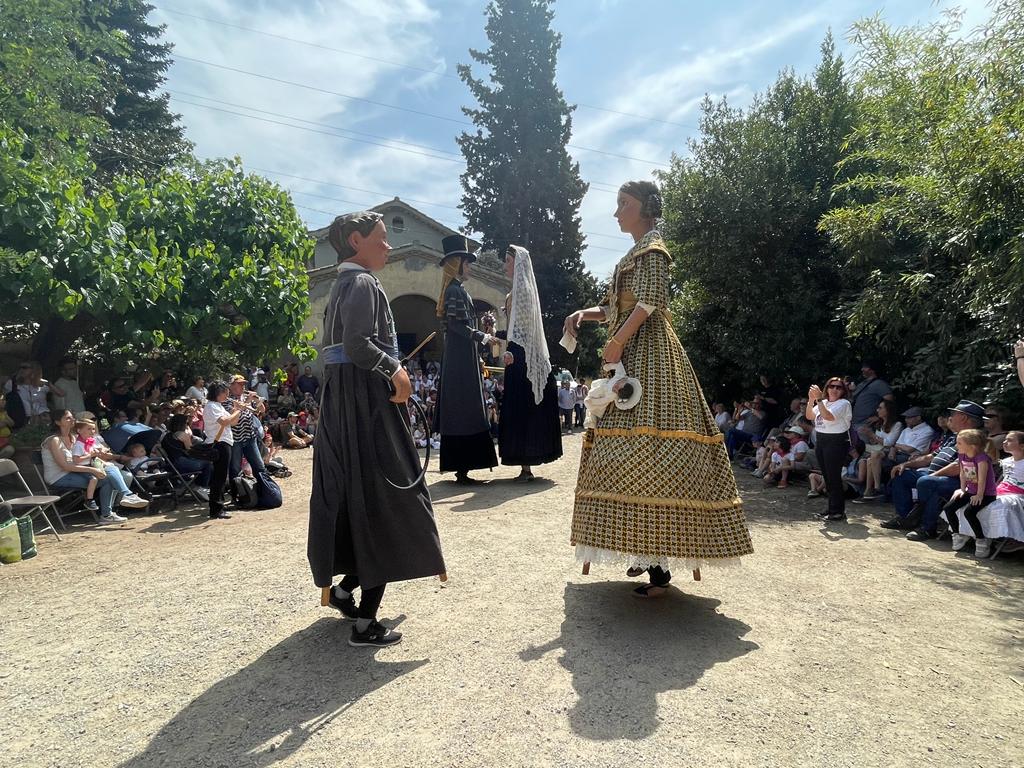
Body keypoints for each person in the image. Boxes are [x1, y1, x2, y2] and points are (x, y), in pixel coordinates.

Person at [564, 180, 752, 596]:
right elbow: (618, 306)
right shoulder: (634, 253)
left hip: (651, 359)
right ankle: (645, 552)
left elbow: (650, 302)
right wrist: (584, 314)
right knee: (627, 454)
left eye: (623, 204)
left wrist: (616, 341)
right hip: (630, 358)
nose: (616, 212)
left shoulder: (653, 250)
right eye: (616, 205)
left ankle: (658, 563)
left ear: (644, 208)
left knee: (654, 453)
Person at [308, 211, 446, 648]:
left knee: (359, 497)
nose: (388, 246)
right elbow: (356, 345)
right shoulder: (363, 283)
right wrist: (395, 371)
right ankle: (366, 624)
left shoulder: (341, 286)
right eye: (382, 239)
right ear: (355, 241)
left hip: (345, 406)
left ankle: (346, 588)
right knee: (388, 497)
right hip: (368, 405)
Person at [435, 234, 499, 484]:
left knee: (467, 408)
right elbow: (456, 325)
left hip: (464, 357)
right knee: (463, 409)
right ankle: (462, 468)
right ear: (457, 263)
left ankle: (465, 467)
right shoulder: (454, 291)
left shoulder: (458, 291)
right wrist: (482, 337)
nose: (470, 267)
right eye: (467, 263)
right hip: (459, 361)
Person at [496, 245, 562, 481]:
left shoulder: (522, 291)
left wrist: (512, 351)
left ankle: (526, 466)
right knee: (518, 410)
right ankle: (525, 465)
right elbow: (516, 331)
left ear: (518, 264)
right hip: (517, 354)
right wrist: (496, 333)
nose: (505, 265)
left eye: (507, 261)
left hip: (522, 358)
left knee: (523, 410)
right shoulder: (512, 293)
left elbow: (524, 332)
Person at [882, 400, 984, 538]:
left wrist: (934, 475)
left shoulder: (975, 439)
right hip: (935, 475)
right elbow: (930, 457)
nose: (950, 417)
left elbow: (959, 467)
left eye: (953, 414)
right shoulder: (953, 437)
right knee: (901, 475)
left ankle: (927, 528)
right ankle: (905, 518)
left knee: (928, 483)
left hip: (961, 482)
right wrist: (905, 465)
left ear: (964, 418)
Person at [42, 410, 148, 524]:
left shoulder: (75, 437)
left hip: (78, 471)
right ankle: (110, 512)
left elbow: (87, 455)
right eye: (67, 418)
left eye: (72, 417)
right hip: (59, 476)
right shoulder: (54, 440)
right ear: (58, 422)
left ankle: (125, 496)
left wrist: (100, 454)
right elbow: (65, 466)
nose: (72, 419)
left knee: (110, 470)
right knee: (107, 479)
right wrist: (92, 469)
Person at [942, 428, 998, 555]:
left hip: (986, 493)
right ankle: (958, 535)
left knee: (969, 512)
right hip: (971, 490)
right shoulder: (962, 455)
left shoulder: (982, 458)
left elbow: (983, 479)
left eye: (960, 443)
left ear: (972, 446)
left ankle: (981, 539)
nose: (956, 446)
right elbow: (962, 473)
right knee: (948, 508)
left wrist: (979, 495)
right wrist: (962, 490)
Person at [805, 376, 853, 522]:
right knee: (827, 476)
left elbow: (828, 417)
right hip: (822, 439)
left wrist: (819, 400)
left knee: (833, 476)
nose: (834, 389)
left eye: (839, 387)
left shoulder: (843, 403)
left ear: (843, 391)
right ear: (827, 388)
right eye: (832, 386)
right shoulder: (824, 402)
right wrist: (811, 400)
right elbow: (809, 415)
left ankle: (837, 511)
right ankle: (832, 507)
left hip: (836, 441)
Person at [203, 381, 240, 519]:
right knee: (219, 476)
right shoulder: (211, 406)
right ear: (218, 392)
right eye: (225, 391)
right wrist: (237, 410)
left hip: (225, 442)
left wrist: (237, 409)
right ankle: (216, 508)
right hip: (219, 443)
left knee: (221, 475)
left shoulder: (217, 406)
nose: (227, 394)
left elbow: (233, 421)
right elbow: (224, 421)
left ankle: (219, 505)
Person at [854, 400, 903, 502]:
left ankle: (876, 488)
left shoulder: (897, 425)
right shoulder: (880, 424)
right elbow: (877, 441)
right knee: (868, 460)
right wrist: (869, 435)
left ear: (888, 410)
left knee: (873, 455)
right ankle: (868, 491)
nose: (877, 410)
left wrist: (872, 435)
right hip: (879, 450)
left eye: (880, 408)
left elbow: (889, 442)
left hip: (889, 451)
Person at [227, 375, 267, 478]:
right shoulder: (227, 399)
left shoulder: (245, 396)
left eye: (243, 384)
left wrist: (257, 400)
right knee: (235, 467)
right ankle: (236, 490)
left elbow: (261, 410)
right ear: (232, 386)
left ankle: (263, 488)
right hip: (235, 439)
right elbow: (232, 414)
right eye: (239, 384)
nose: (243, 386)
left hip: (250, 436)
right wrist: (248, 401)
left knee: (259, 465)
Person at [850, 361, 893, 428]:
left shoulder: (880, 384)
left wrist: (878, 417)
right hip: (854, 424)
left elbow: (890, 403)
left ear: (873, 370)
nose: (862, 369)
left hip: (867, 425)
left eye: (865, 367)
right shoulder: (861, 384)